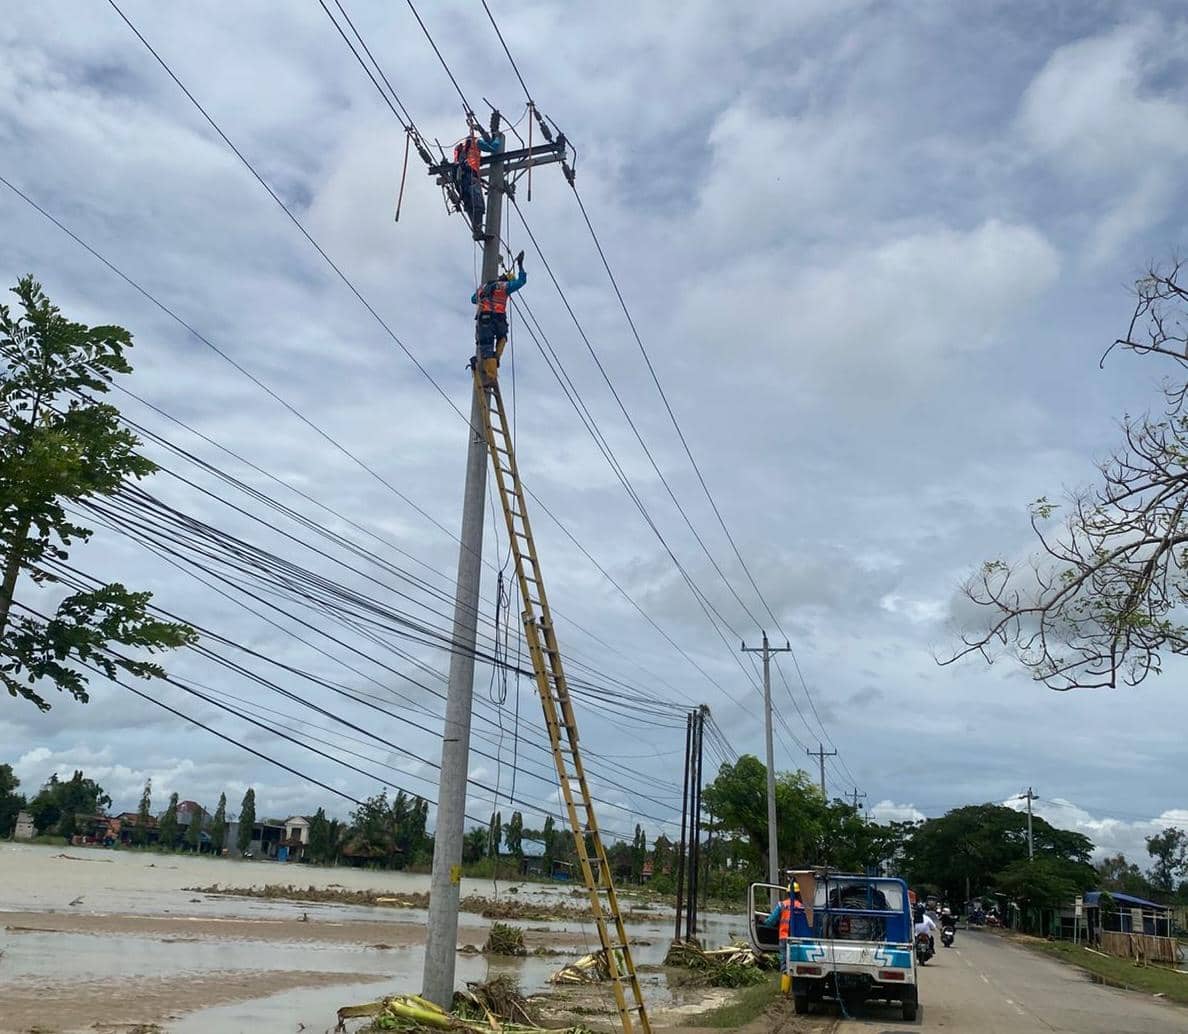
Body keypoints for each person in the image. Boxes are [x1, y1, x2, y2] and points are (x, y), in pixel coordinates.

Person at [472, 252, 527, 384]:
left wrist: (483, 294)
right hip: (500, 319)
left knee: (486, 346)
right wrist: (520, 266)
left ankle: (491, 375)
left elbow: (473, 299)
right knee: (502, 337)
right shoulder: (505, 287)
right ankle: (495, 360)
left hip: (486, 320)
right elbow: (521, 281)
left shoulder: (483, 288)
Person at [452, 129, 501, 241]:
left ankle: (477, 231)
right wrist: (497, 138)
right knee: (478, 205)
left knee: (469, 204)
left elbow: (468, 159)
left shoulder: (459, 148)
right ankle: (477, 231)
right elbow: (493, 148)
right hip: (470, 177)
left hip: (459, 180)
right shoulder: (476, 142)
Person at [763, 881, 811, 984]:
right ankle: (795, 984)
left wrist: (764, 922)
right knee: (797, 962)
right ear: (799, 894)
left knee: (784, 963)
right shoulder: (802, 907)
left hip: (784, 937)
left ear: (788, 893)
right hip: (797, 939)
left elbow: (771, 921)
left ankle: (785, 991)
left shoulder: (782, 905)